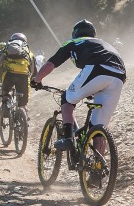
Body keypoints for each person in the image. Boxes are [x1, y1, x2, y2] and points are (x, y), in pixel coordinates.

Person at [32, 19, 126, 181]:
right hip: (119, 76)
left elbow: (51, 64)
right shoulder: (102, 43)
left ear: (75, 33)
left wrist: (36, 79)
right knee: (98, 127)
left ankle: (68, 138)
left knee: (66, 99)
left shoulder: (74, 42)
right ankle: (96, 173)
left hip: (97, 69)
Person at [0, 32, 35, 121]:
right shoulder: (27, 50)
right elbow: (32, 66)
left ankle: (6, 104)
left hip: (8, 74)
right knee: (23, 101)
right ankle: (24, 114)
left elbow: (0, 62)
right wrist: (30, 75)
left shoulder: (7, 48)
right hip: (23, 76)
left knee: (5, 91)